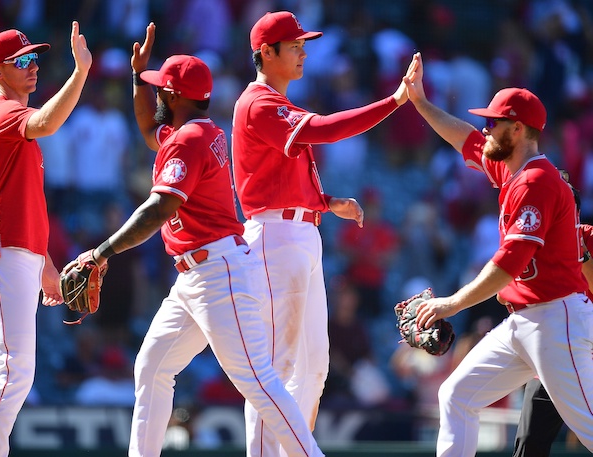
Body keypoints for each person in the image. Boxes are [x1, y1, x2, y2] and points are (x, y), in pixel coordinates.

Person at [81, 22, 325, 457]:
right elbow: (146, 128)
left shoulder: (190, 140)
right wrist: (138, 79)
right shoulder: (192, 132)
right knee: (153, 366)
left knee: (260, 383)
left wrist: (102, 252)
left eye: (160, 89)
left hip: (219, 273)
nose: (155, 96)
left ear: (175, 97)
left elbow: (159, 209)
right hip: (197, 276)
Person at [231, 11, 415, 455]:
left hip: (299, 233)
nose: (303, 52)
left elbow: (281, 173)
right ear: (266, 53)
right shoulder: (258, 102)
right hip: (275, 238)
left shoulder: (276, 103)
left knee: (314, 368)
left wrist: (325, 201)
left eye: (301, 44)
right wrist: (393, 101)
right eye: (293, 45)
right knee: (273, 369)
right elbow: (326, 130)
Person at [403, 51, 593, 456]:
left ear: (518, 129)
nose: (485, 128)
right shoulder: (511, 170)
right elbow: (463, 139)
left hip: (556, 320)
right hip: (525, 321)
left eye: (493, 122)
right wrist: (420, 102)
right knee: (457, 395)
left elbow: (510, 263)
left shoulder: (537, 181)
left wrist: (452, 303)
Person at [0, 22, 92, 457]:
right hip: (2, 256)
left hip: (15, 256)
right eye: (21, 61)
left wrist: (47, 268)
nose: (32, 66)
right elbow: (48, 122)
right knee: (13, 371)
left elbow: (28, 208)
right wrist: (80, 74)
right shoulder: (2, 114)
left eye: (34, 57)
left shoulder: (15, 123)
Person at [512, 221, 593, 457]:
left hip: (585, 350)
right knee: (529, 441)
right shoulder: (531, 241)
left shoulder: (587, 236)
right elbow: (502, 295)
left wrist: (582, 252)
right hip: (555, 352)